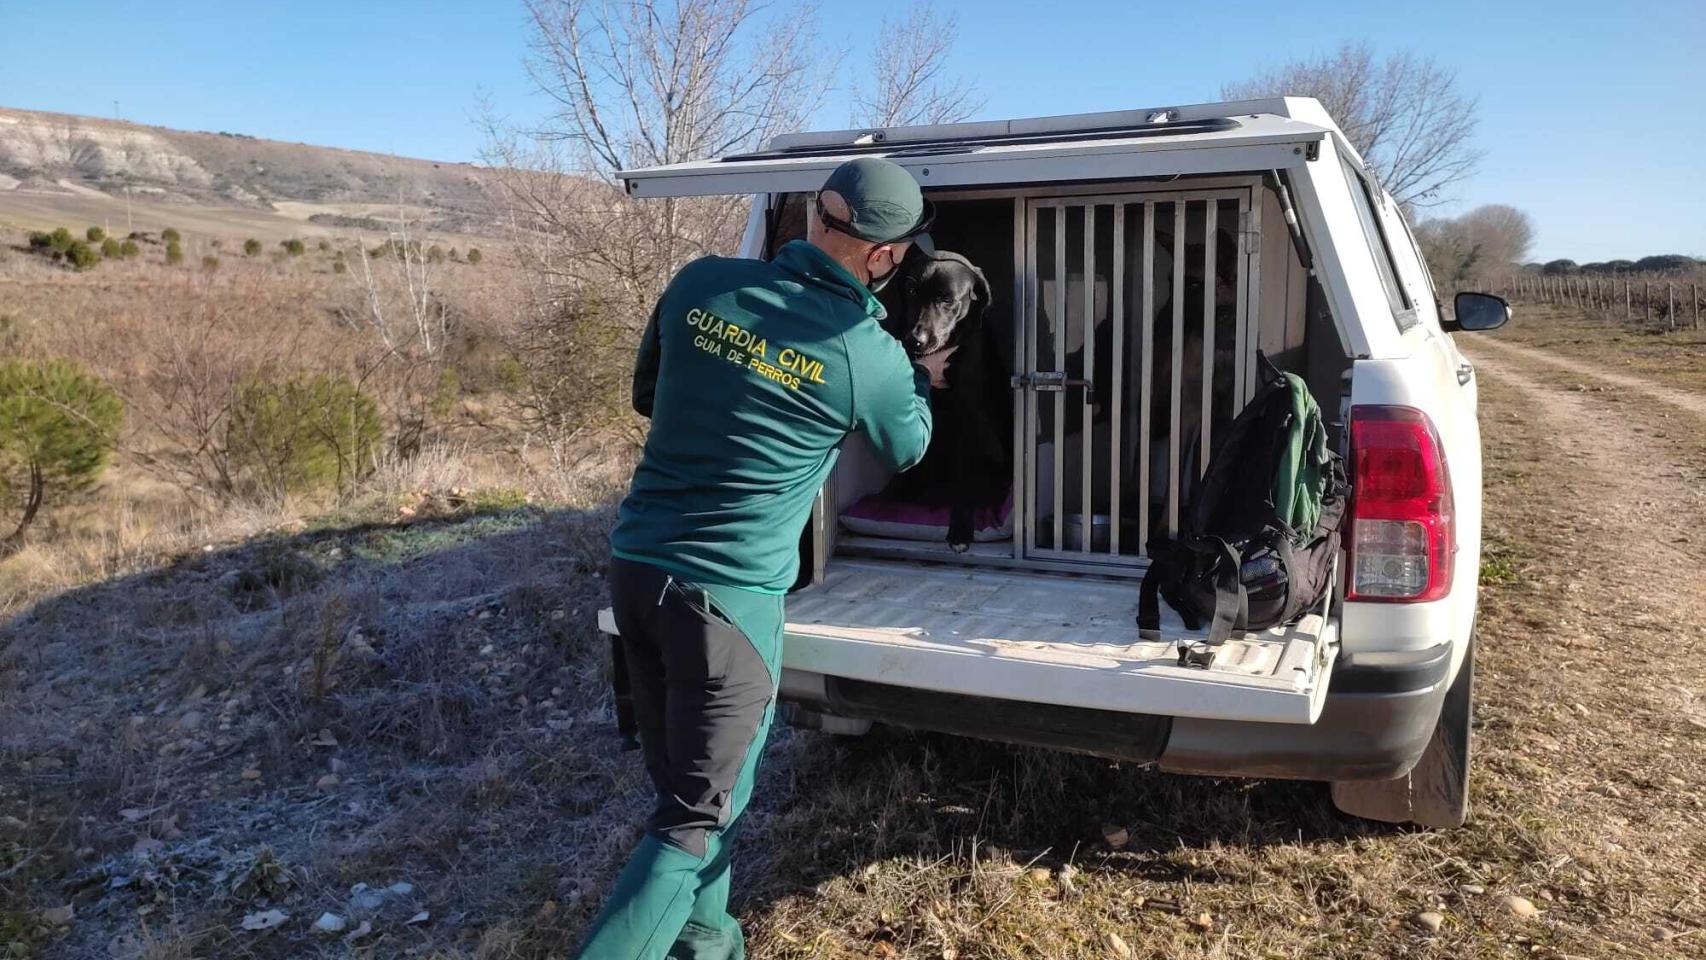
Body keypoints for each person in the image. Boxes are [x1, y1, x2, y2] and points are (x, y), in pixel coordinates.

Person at [577, 157, 957, 960]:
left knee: (688, 796)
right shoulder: (866, 353)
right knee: (693, 822)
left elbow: (649, 393)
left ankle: (709, 944)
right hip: (726, 607)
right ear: (885, 257)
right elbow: (908, 448)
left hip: (637, 570)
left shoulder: (701, 283)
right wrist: (918, 378)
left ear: (816, 216)